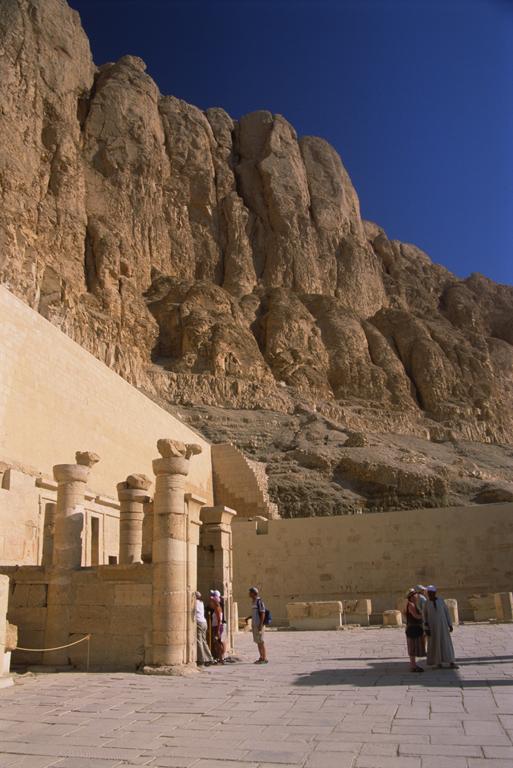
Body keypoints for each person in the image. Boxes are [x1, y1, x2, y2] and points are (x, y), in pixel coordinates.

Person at [422, 585, 459, 669]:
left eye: (431, 592)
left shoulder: (441, 601)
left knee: (446, 643)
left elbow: (446, 613)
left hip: (443, 626)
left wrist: (450, 624)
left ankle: (451, 662)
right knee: (435, 644)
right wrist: (426, 628)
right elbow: (425, 617)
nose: (430, 594)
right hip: (433, 628)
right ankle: (438, 663)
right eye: (429, 593)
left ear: (435, 593)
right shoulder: (426, 603)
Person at [404, 588, 425, 672]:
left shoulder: (413, 604)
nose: (417, 596)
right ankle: (413, 666)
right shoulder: (411, 605)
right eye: (415, 594)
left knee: (414, 646)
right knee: (412, 647)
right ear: (411, 596)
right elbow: (416, 616)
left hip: (415, 628)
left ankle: (414, 665)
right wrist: (424, 615)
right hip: (412, 628)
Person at [248, 586, 267, 664]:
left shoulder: (259, 602)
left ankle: (264, 658)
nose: (249, 594)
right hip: (255, 624)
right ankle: (261, 657)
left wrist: (261, 624)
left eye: (250, 592)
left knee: (261, 642)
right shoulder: (254, 602)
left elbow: (262, 613)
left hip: (259, 624)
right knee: (258, 641)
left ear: (253, 593)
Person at [195, 591, 214, 666]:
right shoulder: (201, 602)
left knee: (199, 641)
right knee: (204, 641)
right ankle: (209, 658)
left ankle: (201, 659)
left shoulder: (195, 603)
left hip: (199, 622)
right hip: (204, 622)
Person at [210, 593, 225, 663]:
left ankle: (221, 658)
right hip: (217, 626)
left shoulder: (217, 608)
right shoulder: (218, 608)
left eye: (212, 601)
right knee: (218, 643)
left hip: (217, 627)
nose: (211, 602)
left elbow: (219, 620)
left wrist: (218, 630)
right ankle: (220, 658)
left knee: (218, 643)